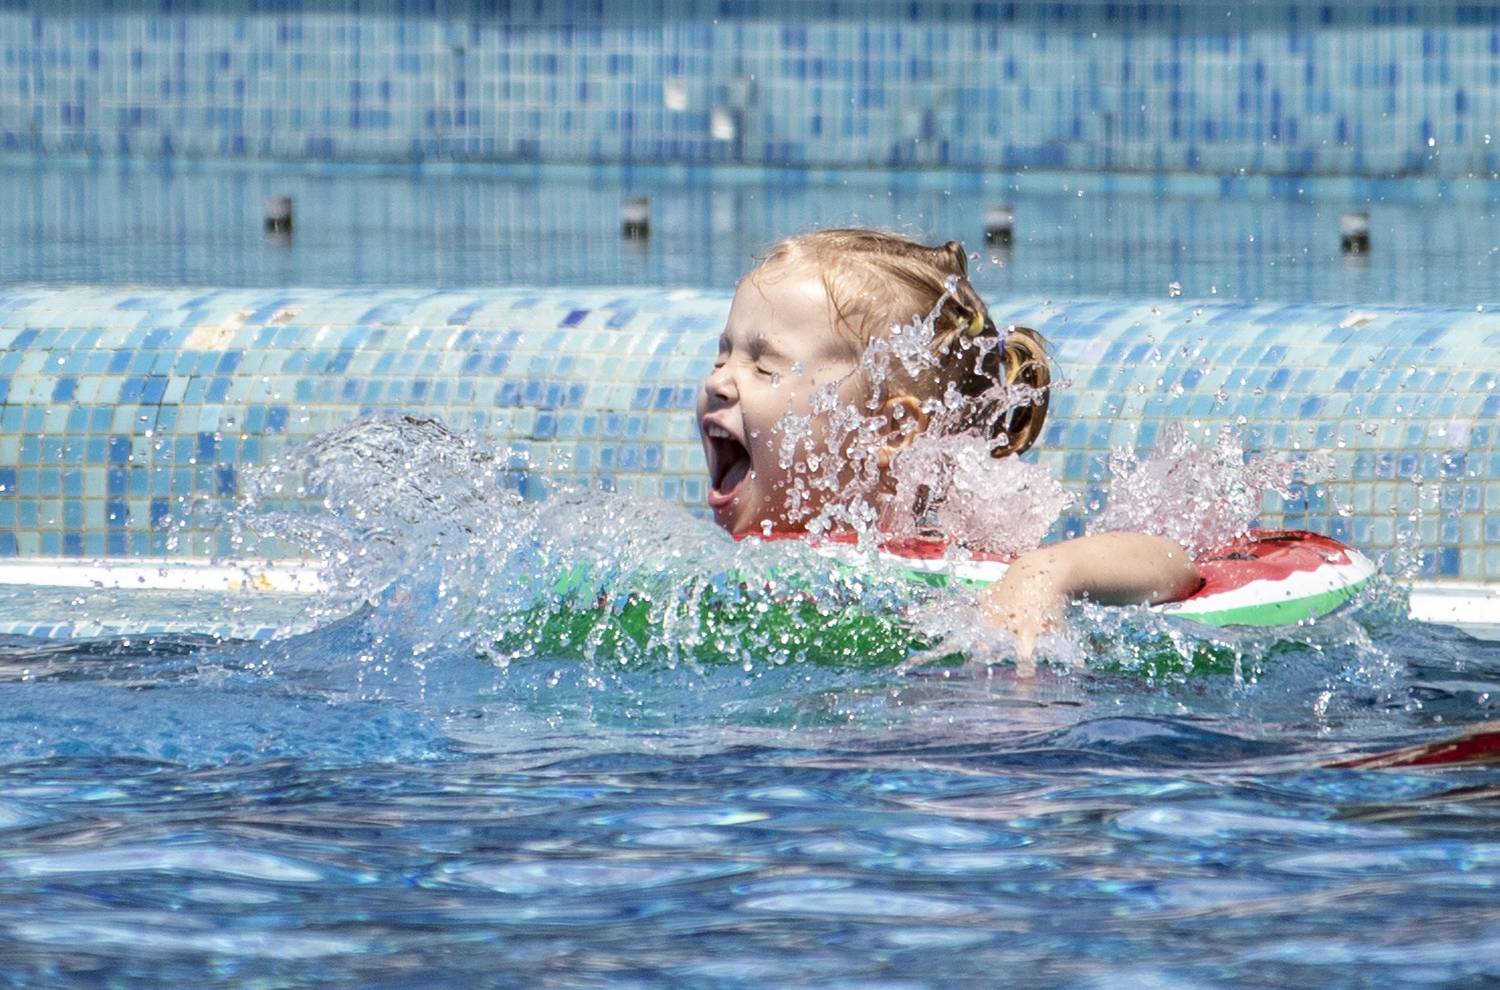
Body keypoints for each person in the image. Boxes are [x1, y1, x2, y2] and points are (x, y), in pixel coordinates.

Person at [696, 228, 1200, 660]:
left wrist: (1043, 575)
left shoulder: (950, 563)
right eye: (723, 356)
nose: (719, 382)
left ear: (890, 430)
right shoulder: (735, 570)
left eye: (764, 367)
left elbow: (1172, 560)